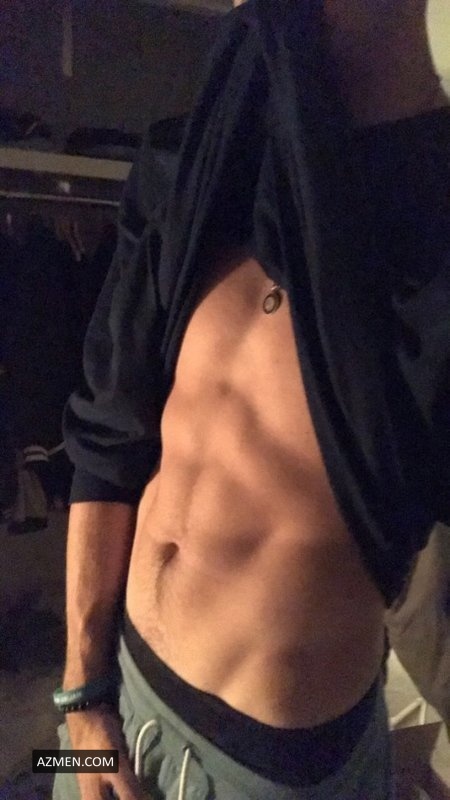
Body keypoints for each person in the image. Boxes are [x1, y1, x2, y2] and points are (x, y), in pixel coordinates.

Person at [53, 1, 450, 798]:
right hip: (102, 713)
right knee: (45, 773)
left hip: (271, 777)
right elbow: (106, 442)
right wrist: (79, 699)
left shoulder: (430, 235)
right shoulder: (194, 179)